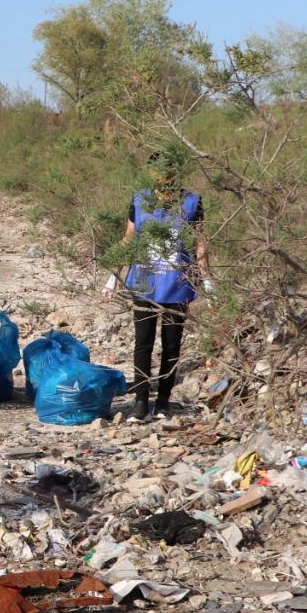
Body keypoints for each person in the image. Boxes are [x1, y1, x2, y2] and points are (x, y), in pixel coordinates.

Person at [106, 159, 211, 421]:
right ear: (151, 172)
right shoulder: (140, 200)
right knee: (143, 342)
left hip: (177, 282)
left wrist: (208, 279)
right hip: (144, 280)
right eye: (158, 169)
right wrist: (113, 276)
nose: (164, 174)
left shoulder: (192, 202)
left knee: (172, 343)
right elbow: (128, 239)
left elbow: (200, 242)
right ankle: (141, 401)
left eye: (169, 168)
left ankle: (163, 401)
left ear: (177, 171)